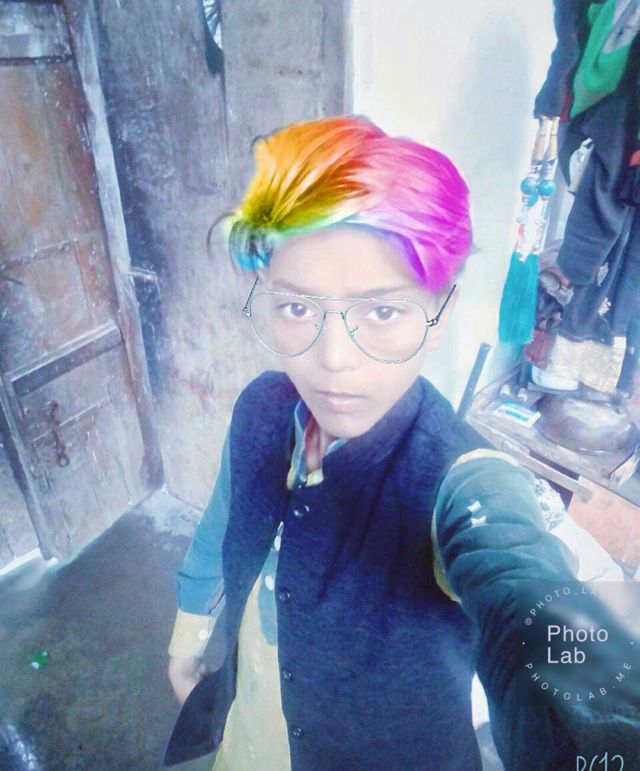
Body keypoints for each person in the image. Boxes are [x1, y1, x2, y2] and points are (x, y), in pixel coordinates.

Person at [164, 115, 639, 770]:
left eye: (382, 311)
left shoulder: (463, 483)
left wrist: (600, 728)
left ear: (440, 314)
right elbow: (223, 520)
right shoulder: (261, 410)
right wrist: (188, 633)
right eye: (297, 307)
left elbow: (528, 588)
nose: (333, 360)